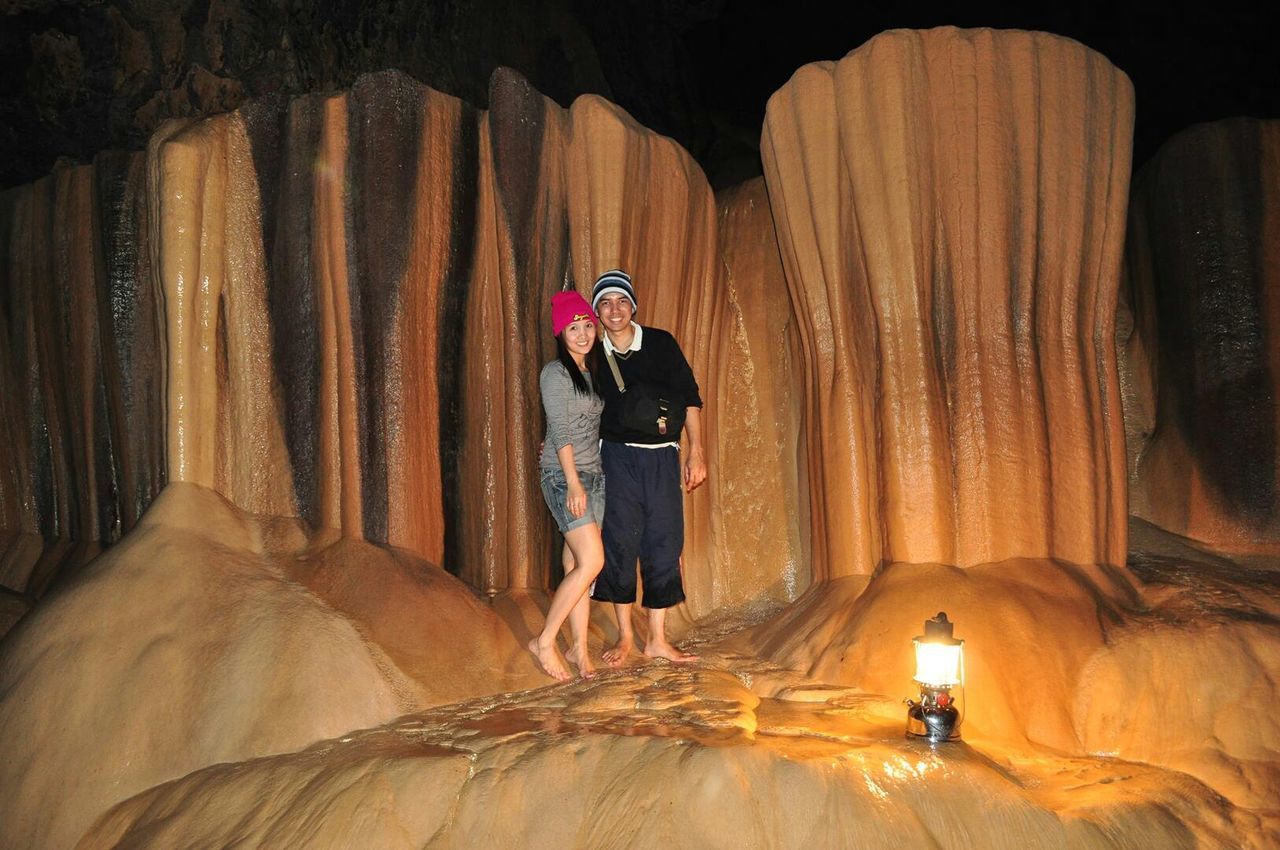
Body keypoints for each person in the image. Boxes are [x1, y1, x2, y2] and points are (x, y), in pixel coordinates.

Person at [589, 269, 707, 665]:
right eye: (605, 303)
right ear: (597, 312)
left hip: (661, 457)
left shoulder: (660, 344)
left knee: (664, 539)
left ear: (633, 306)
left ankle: (656, 638)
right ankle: (625, 635)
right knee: (619, 541)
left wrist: (697, 451)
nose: (615, 309)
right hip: (616, 457)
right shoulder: (593, 353)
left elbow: (690, 396)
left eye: (621, 301)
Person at [528, 290, 607, 681]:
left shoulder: (589, 375)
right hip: (565, 478)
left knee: (578, 565)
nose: (582, 333)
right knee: (593, 560)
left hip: (594, 476)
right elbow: (560, 433)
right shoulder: (555, 374)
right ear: (561, 333)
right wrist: (574, 483)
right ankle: (544, 640)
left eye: (587, 326)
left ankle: (579, 648)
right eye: (573, 327)